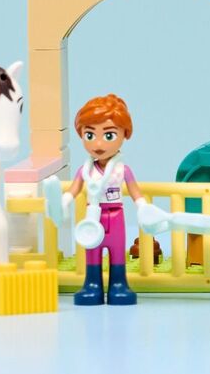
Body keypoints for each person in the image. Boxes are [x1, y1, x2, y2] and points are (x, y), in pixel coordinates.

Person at [63, 94, 160, 306]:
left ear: (125, 134)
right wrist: (64, 201)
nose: (98, 144)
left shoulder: (121, 169)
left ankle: (118, 284)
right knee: (92, 251)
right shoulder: (85, 170)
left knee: (117, 251)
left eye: (108, 135)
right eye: (90, 135)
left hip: (115, 216)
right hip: (92, 216)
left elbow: (135, 193)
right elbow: (74, 189)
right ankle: (92, 285)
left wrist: (143, 207)